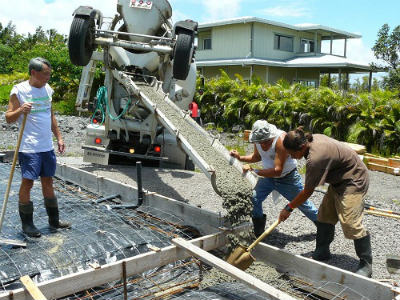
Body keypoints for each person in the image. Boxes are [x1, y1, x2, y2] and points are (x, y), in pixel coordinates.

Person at [279, 127, 372, 277]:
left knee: (350, 223)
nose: (291, 157)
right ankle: (322, 252)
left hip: (354, 179)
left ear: (302, 147)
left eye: (292, 154)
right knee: (324, 216)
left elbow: (307, 192)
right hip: (338, 180)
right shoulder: (310, 139)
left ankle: (366, 264)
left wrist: (289, 207)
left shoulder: (315, 159)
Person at [5, 57, 71, 238]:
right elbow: (9, 118)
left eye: (49, 73)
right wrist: (20, 110)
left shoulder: (47, 89)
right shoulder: (19, 91)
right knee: (28, 182)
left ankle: (54, 221)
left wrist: (59, 137)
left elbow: (51, 116)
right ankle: (28, 225)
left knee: (48, 181)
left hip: (46, 146)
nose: (48, 77)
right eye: (45, 74)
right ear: (33, 73)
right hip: (29, 147)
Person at [229, 120, 318, 237]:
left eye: (267, 142)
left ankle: (323, 225)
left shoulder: (280, 140)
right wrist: (240, 157)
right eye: (261, 142)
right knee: (254, 199)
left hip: (287, 178)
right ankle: (258, 231)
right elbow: (257, 156)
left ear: (271, 136)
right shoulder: (258, 140)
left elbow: (277, 170)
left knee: (303, 204)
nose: (264, 145)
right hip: (268, 177)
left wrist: (254, 171)